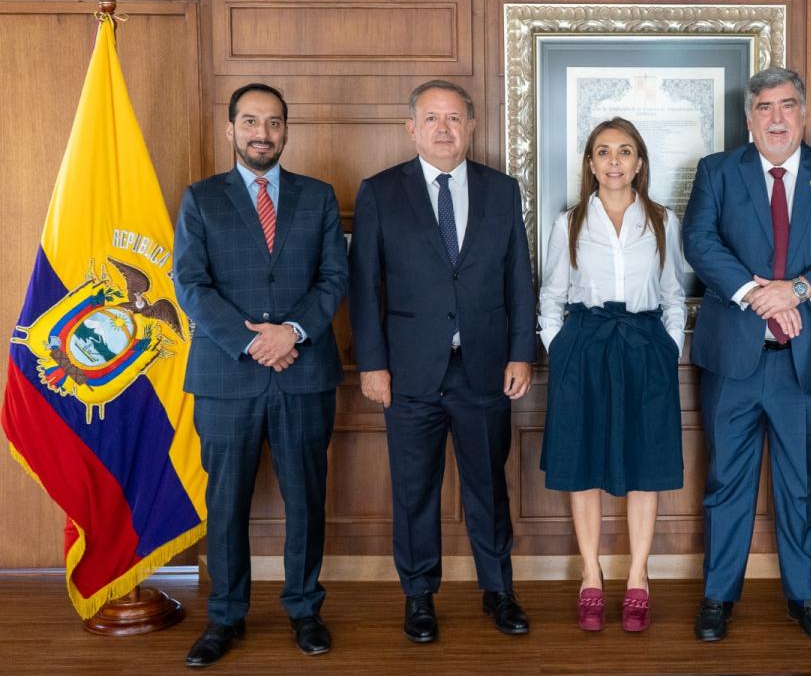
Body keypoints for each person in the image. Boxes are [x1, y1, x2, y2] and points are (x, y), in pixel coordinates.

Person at [682, 66, 811, 643]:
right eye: (764, 107)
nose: (776, 117)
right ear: (749, 118)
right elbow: (700, 241)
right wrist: (756, 294)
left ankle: (805, 595)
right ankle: (718, 598)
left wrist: (794, 290)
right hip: (733, 362)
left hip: (804, 363)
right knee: (726, 484)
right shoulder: (718, 172)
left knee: (799, 485)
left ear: (804, 113)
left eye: (787, 105)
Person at [348, 79, 536, 643]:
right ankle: (419, 596)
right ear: (412, 128)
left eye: (454, 118)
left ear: (471, 126)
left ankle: (498, 590)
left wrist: (521, 353)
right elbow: (363, 288)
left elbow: (519, 280)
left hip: (484, 368)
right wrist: (372, 364)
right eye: (432, 118)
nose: (444, 128)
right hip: (407, 373)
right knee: (413, 491)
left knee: (488, 488)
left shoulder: (502, 190)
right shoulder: (380, 191)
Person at [174, 83, 348, 667]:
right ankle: (225, 616)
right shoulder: (200, 199)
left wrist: (290, 333)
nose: (262, 133)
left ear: (286, 131)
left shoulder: (318, 197)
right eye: (250, 122)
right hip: (227, 377)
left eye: (273, 123)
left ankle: (304, 609)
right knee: (226, 502)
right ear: (230, 130)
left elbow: (333, 279)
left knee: (306, 498)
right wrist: (254, 342)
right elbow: (191, 286)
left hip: (304, 373)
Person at [539, 117, 686, 633]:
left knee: (645, 459)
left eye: (625, 151)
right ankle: (591, 575)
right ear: (591, 163)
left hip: (646, 347)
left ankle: (639, 577)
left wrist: (668, 347)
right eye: (604, 152)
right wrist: (559, 347)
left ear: (640, 162)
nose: (615, 160)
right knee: (583, 460)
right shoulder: (570, 223)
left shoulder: (664, 221)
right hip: (586, 345)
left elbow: (673, 296)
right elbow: (552, 296)